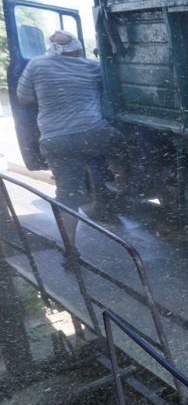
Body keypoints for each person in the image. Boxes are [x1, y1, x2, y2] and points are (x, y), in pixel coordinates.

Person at [16, 29, 126, 245]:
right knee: (119, 141)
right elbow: (112, 92)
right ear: (78, 49)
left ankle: (70, 248)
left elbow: (24, 99)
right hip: (93, 134)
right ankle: (120, 178)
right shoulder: (92, 66)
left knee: (68, 197)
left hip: (55, 141)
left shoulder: (37, 65)